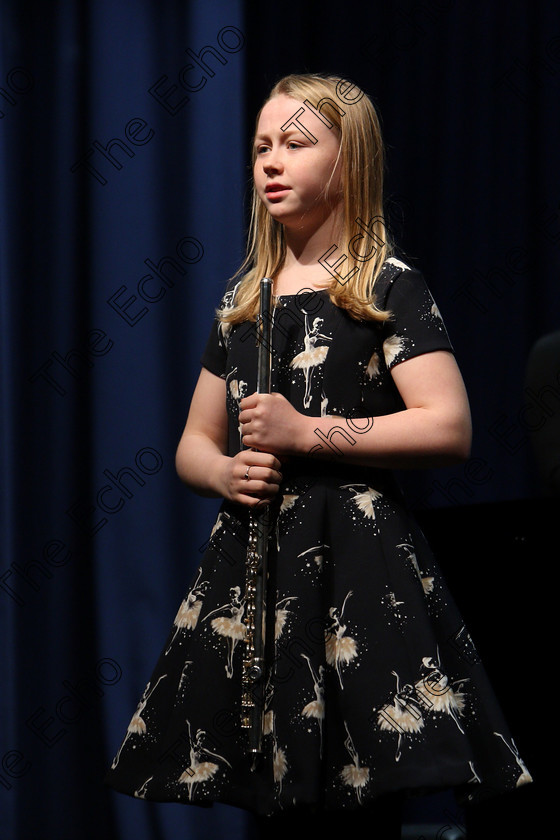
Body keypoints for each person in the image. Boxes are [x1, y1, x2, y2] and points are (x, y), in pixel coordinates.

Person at [104, 74, 532, 836]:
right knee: (274, 791)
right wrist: (225, 471)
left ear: (350, 163)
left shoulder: (381, 286)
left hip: (357, 570)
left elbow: (448, 426)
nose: (271, 160)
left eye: (296, 144)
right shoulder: (243, 301)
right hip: (259, 572)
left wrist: (306, 433)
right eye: (262, 146)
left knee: (358, 794)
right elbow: (193, 446)